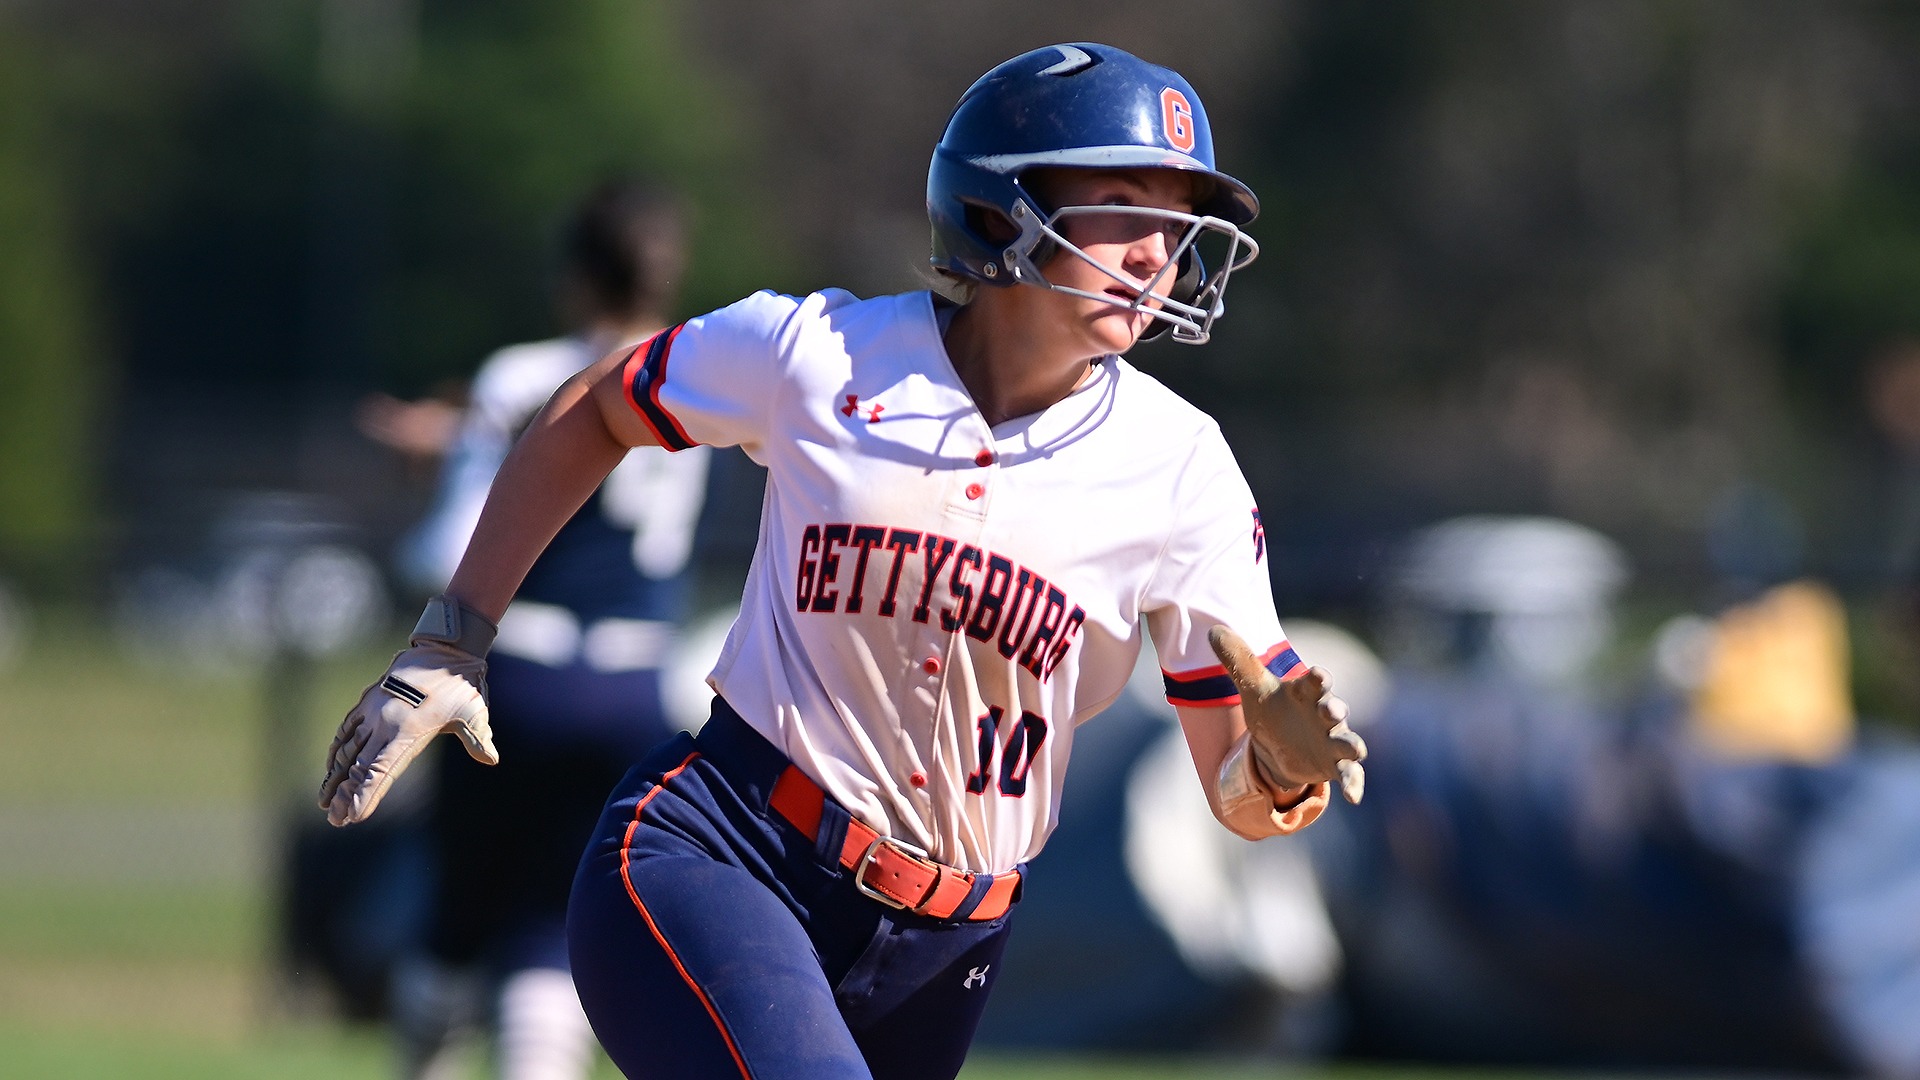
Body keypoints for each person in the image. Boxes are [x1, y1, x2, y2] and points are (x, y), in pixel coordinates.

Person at [320, 43, 1366, 1080]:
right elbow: (598, 406)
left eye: (1178, 221)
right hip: (727, 853)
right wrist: (451, 640)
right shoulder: (819, 353)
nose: (1160, 250)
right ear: (1004, 205)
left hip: (945, 949)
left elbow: (1233, 789)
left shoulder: (1183, 469)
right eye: (1129, 202)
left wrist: (1276, 773)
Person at [371, 181, 712, 1080]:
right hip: (636, 686)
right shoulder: (695, 369)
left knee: (456, 915)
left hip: (518, 679)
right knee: (550, 928)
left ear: (573, 276)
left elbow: (452, 549)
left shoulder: (525, 373)